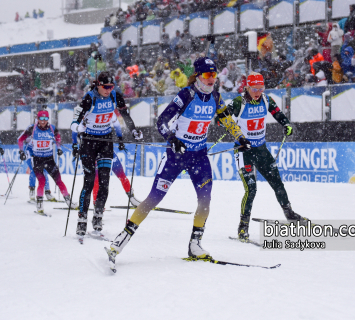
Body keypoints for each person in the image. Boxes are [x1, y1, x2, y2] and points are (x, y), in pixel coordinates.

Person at [106, 57, 251, 265]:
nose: (212, 79)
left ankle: (195, 244)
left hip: (199, 156)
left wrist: (241, 138)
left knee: (205, 199)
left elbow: (227, 119)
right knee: (154, 198)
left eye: (214, 75)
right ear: (199, 76)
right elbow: (162, 121)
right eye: (208, 75)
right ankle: (121, 240)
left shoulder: (216, 98)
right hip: (176, 155)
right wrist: (172, 140)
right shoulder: (187, 94)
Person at [220, 73, 302, 240]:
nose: (257, 92)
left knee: (277, 183)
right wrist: (233, 129)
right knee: (251, 189)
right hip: (244, 152)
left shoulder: (266, 100)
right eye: (254, 89)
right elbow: (222, 118)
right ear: (247, 88)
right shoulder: (239, 102)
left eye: (261, 88)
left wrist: (286, 124)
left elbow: (277, 113)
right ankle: (243, 227)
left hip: (261, 150)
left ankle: (290, 214)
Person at [71, 72, 143, 241]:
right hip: (89, 142)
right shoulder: (89, 98)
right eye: (105, 87)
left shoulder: (115, 96)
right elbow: (75, 121)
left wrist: (133, 131)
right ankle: (82, 220)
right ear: (98, 85)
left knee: (104, 182)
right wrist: (77, 131)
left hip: (105, 141)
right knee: (89, 182)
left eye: (111, 87)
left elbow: (125, 116)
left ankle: (98, 217)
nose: (108, 90)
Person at [18, 110, 76, 214]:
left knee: (58, 180)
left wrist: (58, 147)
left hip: (49, 159)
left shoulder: (52, 128)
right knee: (42, 181)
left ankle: (68, 201)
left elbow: (58, 137)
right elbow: (20, 139)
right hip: (37, 159)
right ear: (38, 118)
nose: (43, 121)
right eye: (41, 118)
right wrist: (21, 152)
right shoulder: (32, 128)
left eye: (45, 118)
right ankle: (39, 203)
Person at [18, 134, 54, 201]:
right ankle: (32, 190)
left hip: (40, 153)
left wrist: (53, 140)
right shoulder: (31, 129)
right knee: (33, 171)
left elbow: (51, 139)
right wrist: (21, 152)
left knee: (44, 171)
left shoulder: (45, 130)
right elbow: (20, 139)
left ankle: (47, 192)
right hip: (30, 153)